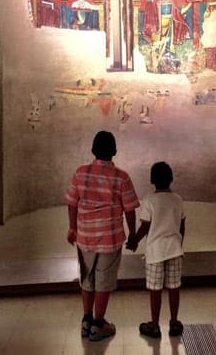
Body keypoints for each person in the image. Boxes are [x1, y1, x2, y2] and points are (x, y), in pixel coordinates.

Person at [66, 131, 140, 341]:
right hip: (110, 238)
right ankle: (99, 324)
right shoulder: (121, 177)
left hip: (85, 237)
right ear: (115, 152)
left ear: (92, 151)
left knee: (87, 279)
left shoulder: (80, 173)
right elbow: (130, 209)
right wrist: (133, 234)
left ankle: (86, 319)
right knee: (103, 281)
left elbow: (72, 202)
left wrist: (72, 228)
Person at [126, 161, 186, 338]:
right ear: (171, 179)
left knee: (155, 289)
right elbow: (182, 225)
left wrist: (134, 241)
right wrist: (178, 243)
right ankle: (174, 323)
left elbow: (145, 226)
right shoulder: (178, 200)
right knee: (174, 288)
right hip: (174, 250)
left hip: (155, 252)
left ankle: (154, 325)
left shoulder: (149, 200)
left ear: (152, 180)